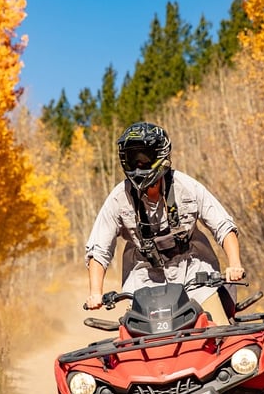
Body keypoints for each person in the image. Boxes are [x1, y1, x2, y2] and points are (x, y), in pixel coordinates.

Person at [84, 121, 245, 320]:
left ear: (161, 155)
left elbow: (223, 226)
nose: (138, 165)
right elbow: (99, 249)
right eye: (133, 158)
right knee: (133, 343)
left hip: (195, 277)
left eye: (144, 157)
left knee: (218, 332)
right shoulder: (118, 198)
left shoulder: (187, 187)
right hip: (144, 284)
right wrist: (95, 292)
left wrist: (235, 264)